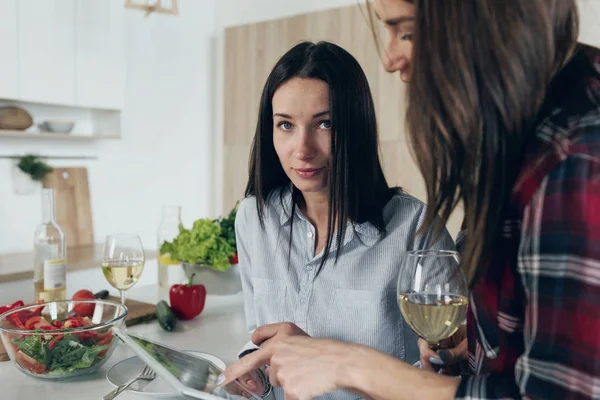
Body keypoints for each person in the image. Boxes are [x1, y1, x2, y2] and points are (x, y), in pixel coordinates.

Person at [222, 0, 600, 399]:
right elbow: (497, 354)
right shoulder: (513, 154)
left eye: (408, 31)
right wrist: (465, 349)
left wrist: (349, 364)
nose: (389, 60)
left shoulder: (572, 161)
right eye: (285, 124)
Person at [226, 40, 454, 399]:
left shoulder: (417, 230)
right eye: (285, 125)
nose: (302, 149)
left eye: (325, 124)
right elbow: (261, 339)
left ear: (356, 128)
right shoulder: (253, 220)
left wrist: (331, 364)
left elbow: (440, 380)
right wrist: (257, 374)